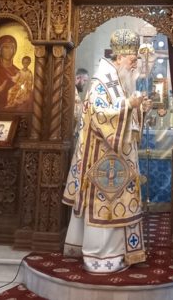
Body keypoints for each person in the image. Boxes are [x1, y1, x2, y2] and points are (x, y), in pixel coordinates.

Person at [63, 28, 152, 274]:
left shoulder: (119, 82)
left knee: (121, 203)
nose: (134, 65)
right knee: (107, 205)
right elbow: (100, 114)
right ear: (119, 58)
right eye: (132, 60)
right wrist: (129, 104)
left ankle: (123, 253)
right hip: (102, 161)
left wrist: (139, 108)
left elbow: (125, 114)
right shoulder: (100, 83)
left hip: (120, 160)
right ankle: (101, 258)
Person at [74, 68, 90, 139]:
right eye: (84, 80)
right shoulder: (71, 92)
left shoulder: (75, 92)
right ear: (78, 78)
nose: (85, 84)